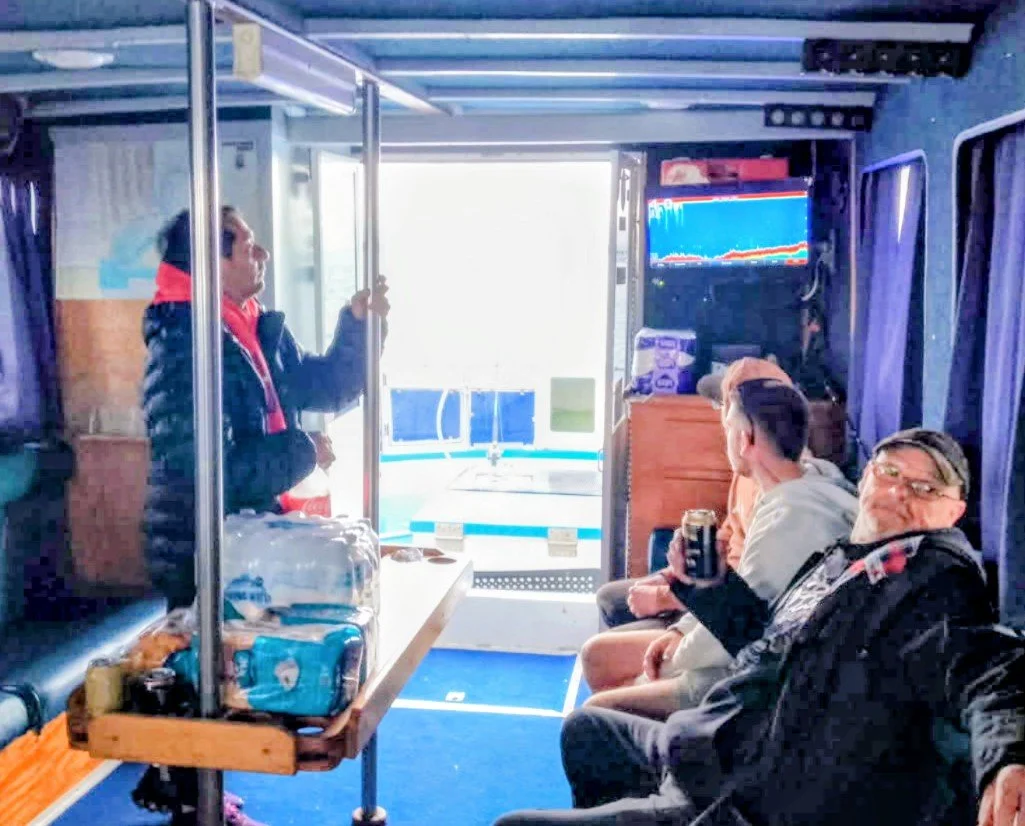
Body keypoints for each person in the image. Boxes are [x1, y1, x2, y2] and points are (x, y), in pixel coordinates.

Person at [496, 429, 1025, 826]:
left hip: (747, 801)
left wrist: (1009, 755)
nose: (900, 492)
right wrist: (707, 587)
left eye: (926, 487)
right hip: (709, 749)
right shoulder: (839, 561)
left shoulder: (935, 578)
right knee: (587, 733)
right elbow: (765, 643)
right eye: (889, 473)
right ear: (865, 478)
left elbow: (985, 664)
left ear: (953, 512)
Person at [135, 207, 389, 825]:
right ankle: (193, 806)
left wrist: (355, 327)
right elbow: (202, 465)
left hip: (244, 533)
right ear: (211, 262)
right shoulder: (184, 343)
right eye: (249, 246)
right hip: (196, 538)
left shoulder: (249, 328)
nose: (262, 255)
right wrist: (302, 451)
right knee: (205, 682)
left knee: (224, 678)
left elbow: (324, 386)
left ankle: (197, 794)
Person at [582, 379, 857, 719]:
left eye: (727, 427)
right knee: (598, 657)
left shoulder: (793, 517)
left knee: (597, 711)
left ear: (745, 439)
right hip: (737, 644)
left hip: (749, 674)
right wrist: (679, 630)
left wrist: (679, 651)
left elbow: (742, 627)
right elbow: (736, 597)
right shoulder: (810, 482)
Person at [595, 357, 792, 633]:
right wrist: (671, 575)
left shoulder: (782, 494)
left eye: (726, 405)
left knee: (602, 652)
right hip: (707, 581)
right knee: (610, 599)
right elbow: (727, 534)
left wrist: (668, 597)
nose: (722, 415)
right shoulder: (746, 471)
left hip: (726, 604)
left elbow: (751, 591)